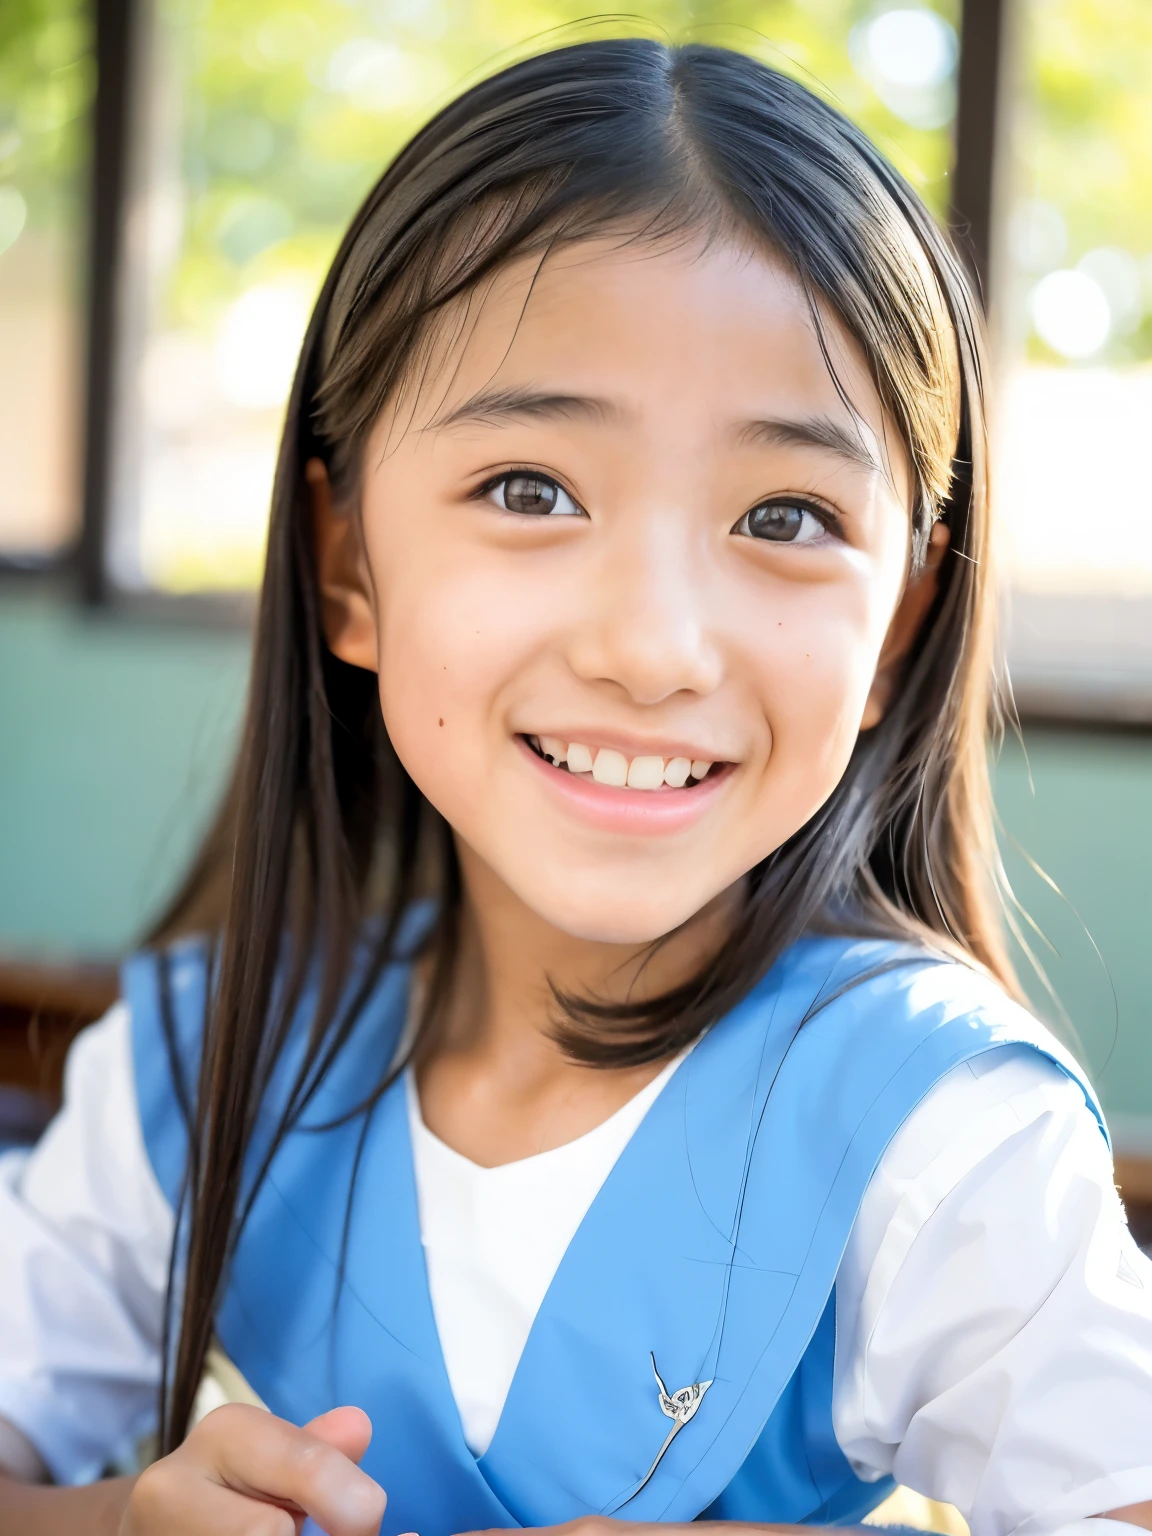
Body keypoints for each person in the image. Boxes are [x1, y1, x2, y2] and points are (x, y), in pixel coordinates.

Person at [1, 36, 1150, 1536]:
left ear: (901, 627)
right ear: (348, 562)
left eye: (787, 516)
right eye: (531, 492)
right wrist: (118, 1525)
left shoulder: (933, 1131)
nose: (653, 646)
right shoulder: (202, 1064)